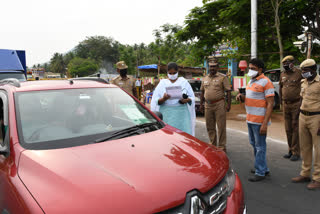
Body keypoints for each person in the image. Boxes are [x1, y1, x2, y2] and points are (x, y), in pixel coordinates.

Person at [236, 58, 274, 182]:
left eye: (253, 69)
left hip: (259, 121)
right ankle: (262, 167)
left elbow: (270, 104)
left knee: (260, 146)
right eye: (249, 68)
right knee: (254, 144)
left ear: (260, 70)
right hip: (250, 119)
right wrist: (242, 97)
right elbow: (251, 98)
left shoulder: (266, 82)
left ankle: (260, 172)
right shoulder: (251, 81)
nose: (250, 70)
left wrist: (264, 124)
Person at [291, 59, 320, 190]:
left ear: (313, 70)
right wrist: (296, 117)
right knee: (305, 147)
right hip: (303, 116)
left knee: (318, 150)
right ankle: (305, 173)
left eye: (306, 71)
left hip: (316, 118)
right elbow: (302, 99)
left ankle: (317, 178)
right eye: (302, 71)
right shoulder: (304, 82)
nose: (303, 73)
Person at [151, 62, 196, 136]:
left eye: (174, 73)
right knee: (167, 136)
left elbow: (192, 97)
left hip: (182, 115)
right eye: (170, 73)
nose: (172, 75)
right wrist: (164, 99)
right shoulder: (162, 83)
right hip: (166, 114)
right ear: (167, 73)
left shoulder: (184, 82)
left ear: (178, 72)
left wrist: (186, 100)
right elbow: (156, 101)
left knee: (183, 136)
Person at [199, 61, 231, 152]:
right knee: (209, 126)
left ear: (217, 68)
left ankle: (221, 146)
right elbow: (202, 92)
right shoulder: (205, 78)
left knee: (221, 126)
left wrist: (228, 104)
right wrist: (201, 104)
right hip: (207, 105)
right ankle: (213, 143)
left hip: (219, 104)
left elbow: (228, 91)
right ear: (208, 67)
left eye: (214, 67)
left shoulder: (222, 77)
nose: (212, 68)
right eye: (210, 67)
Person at [279, 55, 302, 161]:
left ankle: (296, 152)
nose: (285, 65)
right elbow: (281, 87)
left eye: (287, 63)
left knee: (295, 127)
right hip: (285, 104)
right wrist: (280, 102)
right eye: (284, 64)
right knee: (288, 128)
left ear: (292, 63)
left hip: (296, 104)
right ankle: (290, 150)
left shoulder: (299, 73)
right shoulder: (282, 74)